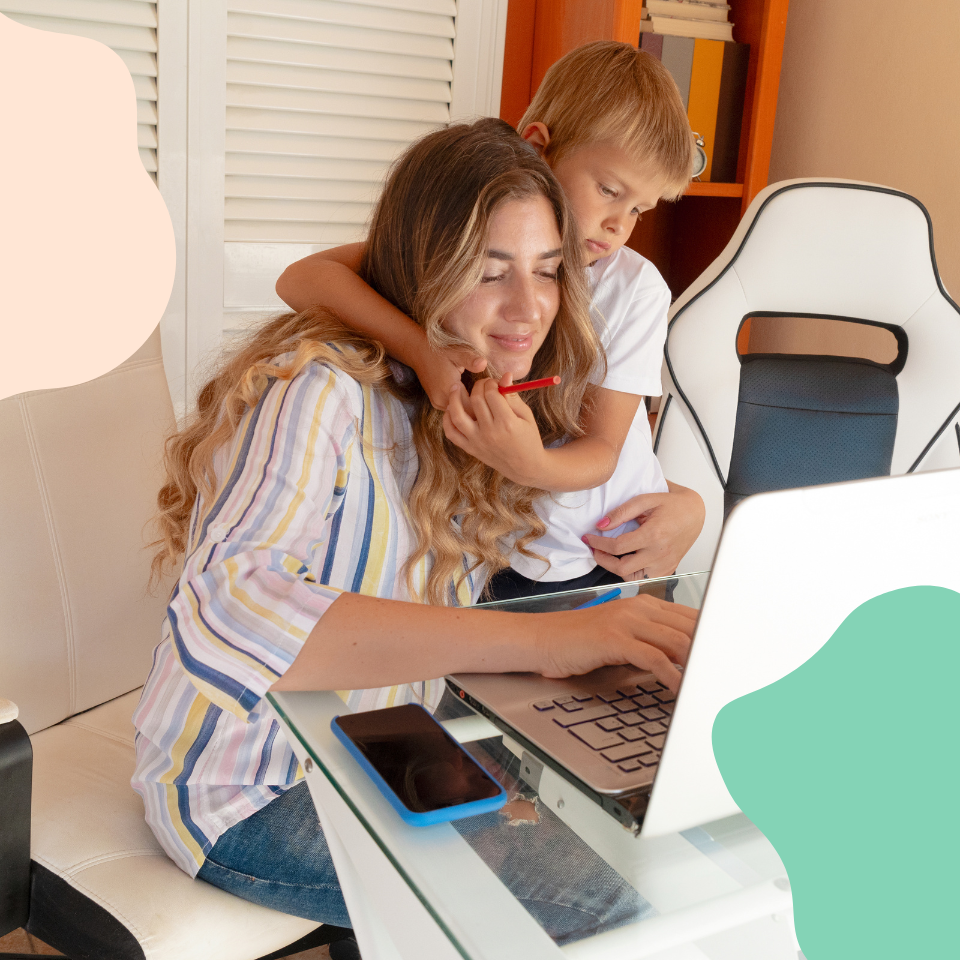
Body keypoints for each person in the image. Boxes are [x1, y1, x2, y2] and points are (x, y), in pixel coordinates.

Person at [132, 119, 696, 951]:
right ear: (424, 265)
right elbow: (228, 605)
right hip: (251, 790)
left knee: (656, 845)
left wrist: (685, 505)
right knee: (616, 904)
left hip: (382, 747)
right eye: (490, 271)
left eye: (547, 273)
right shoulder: (319, 390)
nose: (528, 308)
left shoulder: (480, 400)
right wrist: (543, 643)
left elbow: (595, 485)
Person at [276, 42, 706, 600]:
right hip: (492, 541)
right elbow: (302, 278)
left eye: (638, 210)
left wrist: (530, 465)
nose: (619, 225)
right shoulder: (465, 239)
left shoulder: (632, 288)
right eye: (608, 191)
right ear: (537, 150)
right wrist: (420, 349)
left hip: (600, 553)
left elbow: (605, 451)